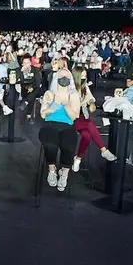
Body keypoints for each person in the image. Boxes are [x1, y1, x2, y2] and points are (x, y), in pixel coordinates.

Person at [39, 64, 82, 192]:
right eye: (61, 75)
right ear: (56, 77)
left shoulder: (74, 95)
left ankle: (64, 174)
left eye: (67, 76)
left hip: (67, 126)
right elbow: (43, 113)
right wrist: (53, 105)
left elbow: (75, 116)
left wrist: (66, 105)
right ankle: (52, 170)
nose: (64, 78)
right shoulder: (49, 93)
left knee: (68, 145)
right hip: (50, 125)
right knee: (50, 144)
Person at [71, 66, 117, 171]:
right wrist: (84, 102)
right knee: (89, 124)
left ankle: (77, 159)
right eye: (82, 76)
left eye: (85, 76)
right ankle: (103, 150)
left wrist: (91, 103)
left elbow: (90, 97)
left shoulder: (84, 87)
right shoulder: (70, 88)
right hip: (72, 117)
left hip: (83, 117)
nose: (84, 78)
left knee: (87, 136)